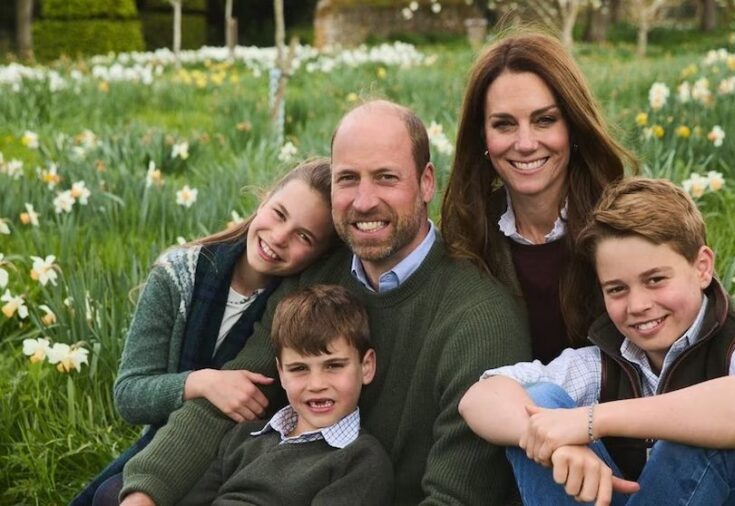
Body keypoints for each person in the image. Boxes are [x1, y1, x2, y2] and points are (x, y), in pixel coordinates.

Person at [439, 31, 735, 453]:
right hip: (521, 427)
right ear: (482, 136)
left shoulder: (617, 223)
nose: (526, 142)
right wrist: (551, 435)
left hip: (632, 435)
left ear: (573, 126)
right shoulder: (468, 235)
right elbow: (474, 380)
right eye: (504, 124)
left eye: (545, 120)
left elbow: (708, 324)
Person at [118, 100, 531, 506]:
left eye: (386, 177)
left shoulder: (479, 318)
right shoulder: (316, 276)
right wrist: (143, 493)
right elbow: (230, 400)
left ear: (426, 182)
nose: (364, 201)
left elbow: (455, 497)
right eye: (347, 179)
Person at [459, 177, 735, 505]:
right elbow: (480, 397)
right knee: (539, 402)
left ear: (702, 267)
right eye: (617, 289)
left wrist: (591, 422)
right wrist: (552, 441)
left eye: (655, 280)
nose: (637, 305)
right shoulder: (603, 362)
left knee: (702, 429)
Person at [74, 159, 336, 505]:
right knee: (109, 496)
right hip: (169, 445)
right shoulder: (178, 275)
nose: (278, 237)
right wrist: (202, 383)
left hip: (243, 455)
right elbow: (129, 395)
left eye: (304, 236)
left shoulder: (296, 305)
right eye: (279, 214)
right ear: (264, 201)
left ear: (318, 255)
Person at [178, 284, 393, 505]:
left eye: (334, 366)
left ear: (366, 367)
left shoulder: (361, 460)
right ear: (281, 373)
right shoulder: (242, 436)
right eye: (299, 369)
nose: (316, 384)